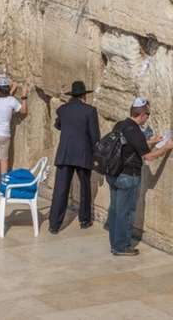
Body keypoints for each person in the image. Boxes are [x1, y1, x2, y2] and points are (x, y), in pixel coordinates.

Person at [107, 97, 173, 256]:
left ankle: (115, 243)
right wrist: (165, 148)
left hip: (114, 173)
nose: (148, 118)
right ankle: (121, 247)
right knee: (126, 212)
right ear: (142, 114)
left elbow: (132, 145)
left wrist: (152, 141)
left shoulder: (121, 125)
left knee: (115, 210)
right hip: (128, 176)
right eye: (148, 114)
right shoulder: (136, 131)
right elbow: (148, 157)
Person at [48, 81, 101, 234]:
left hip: (65, 154)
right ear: (84, 95)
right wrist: (96, 156)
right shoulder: (90, 111)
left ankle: (54, 225)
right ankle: (84, 220)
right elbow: (95, 136)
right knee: (85, 188)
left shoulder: (62, 109)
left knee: (60, 189)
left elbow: (57, 125)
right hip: (83, 154)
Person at [0, 77, 28, 188]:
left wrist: (11, 88)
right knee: (3, 159)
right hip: (4, 133)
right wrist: (24, 96)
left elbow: (2, 96)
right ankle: (3, 183)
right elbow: (23, 111)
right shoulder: (12, 101)